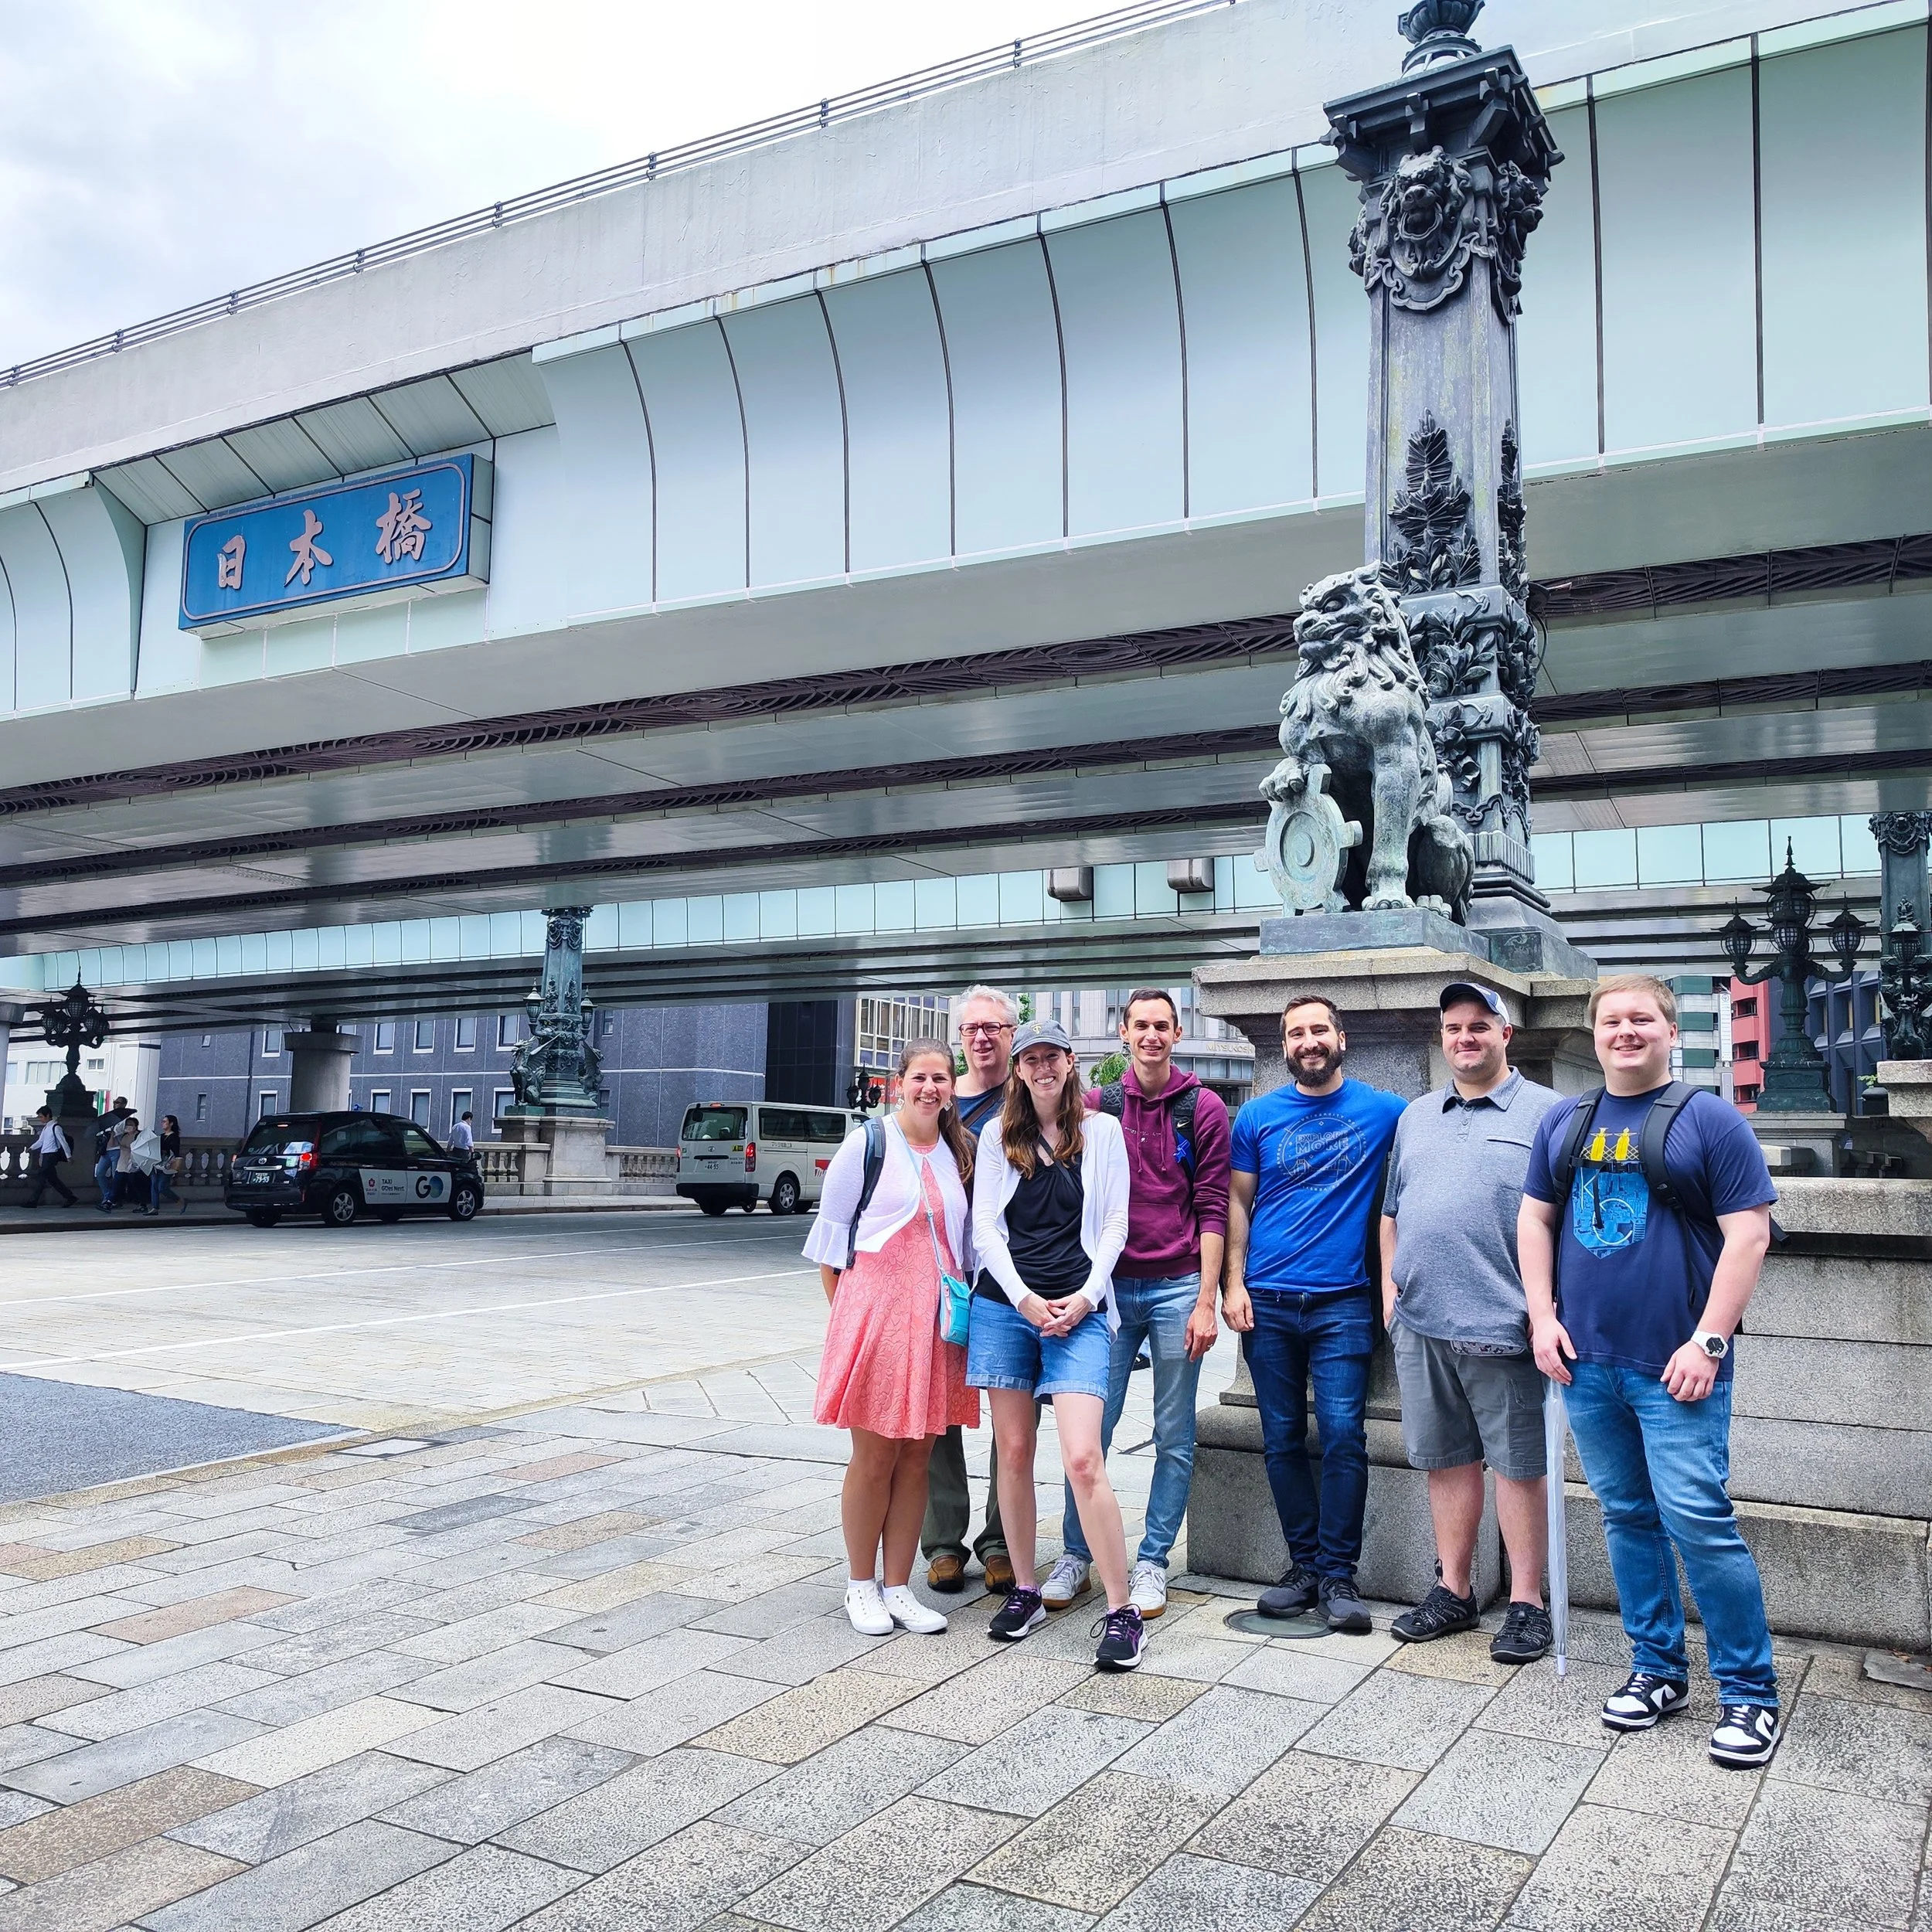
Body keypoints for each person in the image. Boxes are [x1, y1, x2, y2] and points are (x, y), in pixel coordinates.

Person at [1521, 974, 1781, 1769]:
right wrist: (1541, 1316)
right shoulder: (1564, 1121)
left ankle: (1749, 1692)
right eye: (1611, 1021)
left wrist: (1708, 1341)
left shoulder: (1710, 1121)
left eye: (1641, 1019)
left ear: (1669, 1031)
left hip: (1677, 1368)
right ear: (1594, 1034)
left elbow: (1749, 1237)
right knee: (1627, 1518)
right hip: (1586, 1364)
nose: (1625, 1031)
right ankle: (1658, 1669)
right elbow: (1534, 1216)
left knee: (1698, 1522)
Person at [1381, 984, 1561, 1661]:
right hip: (1423, 1323)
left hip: (1505, 1324)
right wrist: (1391, 1296)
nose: (1466, 1038)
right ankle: (1453, 1590)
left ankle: (1526, 1603)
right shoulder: (1417, 1116)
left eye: (1479, 1026)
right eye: (1454, 1028)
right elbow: (1393, 1209)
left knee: (1518, 1467)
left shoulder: (1551, 1113)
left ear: (1505, 1035)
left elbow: (1564, 1221)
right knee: (1446, 1461)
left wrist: (1543, 1312)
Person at [1045, 988, 1230, 1622]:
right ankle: (1077, 1553)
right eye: (1140, 1025)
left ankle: (1152, 1560)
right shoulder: (1099, 1106)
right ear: (1122, 1033)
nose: (1151, 1035)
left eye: (1162, 1025)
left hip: (1179, 1284)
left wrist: (1207, 1300)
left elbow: (1213, 1207)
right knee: (1091, 1430)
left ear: (1177, 1033)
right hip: (1108, 1289)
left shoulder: (1202, 1108)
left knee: (1174, 1433)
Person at [1224, 994, 1405, 1633]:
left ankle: (1338, 1574)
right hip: (1267, 1301)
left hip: (1343, 1303)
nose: (1308, 1041)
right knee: (1280, 1437)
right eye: (1296, 1033)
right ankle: (1302, 1569)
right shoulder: (1256, 1117)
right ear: (1285, 1046)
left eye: (1319, 1029)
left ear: (1341, 1037)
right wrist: (1232, 1283)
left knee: (1344, 1435)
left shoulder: (1386, 1111)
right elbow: (1236, 1205)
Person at [968, 1018, 1142, 1669]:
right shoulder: (997, 1136)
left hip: (1081, 1309)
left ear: (1071, 1063)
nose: (1042, 1068)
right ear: (1018, 1070)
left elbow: (1117, 1223)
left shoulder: (1101, 1132)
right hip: (1007, 1308)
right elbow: (985, 1227)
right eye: (1030, 1059)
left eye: (1052, 1057)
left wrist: (1088, 1298)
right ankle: (1025, 1589)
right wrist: (1024, 1300)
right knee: (1012, 1453)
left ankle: (1122, 1609)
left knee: (1082, 1458)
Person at [806, 1038, 980, 1638]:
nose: (930, 1088)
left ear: (952, 1088)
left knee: (917, 1458)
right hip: (878, 1321)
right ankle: (861, 1585)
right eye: (920, 1077)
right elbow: (830, 1246)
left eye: (941, 1078)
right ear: (898, 1082)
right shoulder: (870, 1143)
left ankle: (899, 1586)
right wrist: (854, 1323)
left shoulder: (959, 1150)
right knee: (875, 1455)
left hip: (935, 1328)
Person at [923, 984, 1019, 1597]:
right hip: (945, 1279)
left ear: (1013, 1033)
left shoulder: (1032, 1096)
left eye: (994, 1027)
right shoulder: (937, 1101)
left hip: (1013, 1282)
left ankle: (1002, 1541)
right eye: (971, 1029)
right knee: (940, 1413)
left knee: (1013, 1417)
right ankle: (942, 1544)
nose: (982, 1037)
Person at [25, 1109, 77, 1207]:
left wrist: (69, 1156)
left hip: (51, 1155)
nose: (40, 1119)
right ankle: (70, 1197)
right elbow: (41, 1141)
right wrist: (32, 1147)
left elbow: (63, 1142)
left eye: (41, 1116)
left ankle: (33, 1201)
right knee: (53, 1180)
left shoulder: (56, 1128)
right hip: (46, 1156)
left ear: (48, 1116)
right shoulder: (46, 1128)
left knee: (41, 1177)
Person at [93, 1097, 130, 1211]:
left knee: (116, 1176)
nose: (115, 1104)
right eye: (115, 1102)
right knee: (99, 1173)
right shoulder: (109, 1118)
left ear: (123, 1104)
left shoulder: (125, 1121)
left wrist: (115, 1132)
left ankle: (113, 1200)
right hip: (107, 1150)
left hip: (117, 1149)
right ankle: (108, 1196)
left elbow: (124, 1135)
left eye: (118, 1102)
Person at [149, 1115, 185, 1215]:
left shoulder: (174, 1137)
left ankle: (179, 1200)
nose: (163, 1123)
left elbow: (175, 1152)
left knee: (162, 1187)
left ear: (171, 1123)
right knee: (154, 1186)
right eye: (163, 1121)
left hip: (167, 1164)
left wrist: (172, 1162)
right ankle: (155, 1207)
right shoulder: (161, 1136)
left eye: (165, 1121)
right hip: (157, 1163)